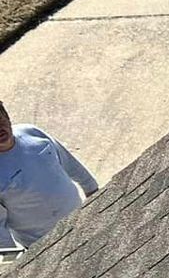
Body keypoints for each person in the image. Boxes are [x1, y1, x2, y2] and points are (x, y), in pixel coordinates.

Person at [0, 99, 99, 252]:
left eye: (0, 120)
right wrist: (11, 260)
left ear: (7, 117)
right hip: (44, 246)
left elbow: (68, 162)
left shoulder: (31, 132)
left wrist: (92, 190)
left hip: (80, 219)